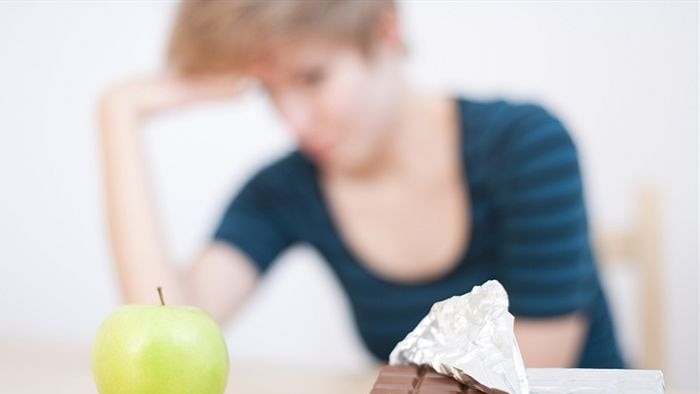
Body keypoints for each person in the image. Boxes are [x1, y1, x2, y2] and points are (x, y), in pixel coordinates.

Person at [99, 0, 624, 369]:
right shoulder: (287, 191)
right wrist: (119, 114)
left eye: (311, 78)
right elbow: (163, 329)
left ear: (384, 29)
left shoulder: (525, 146)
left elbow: (525, 378)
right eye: (269, 92)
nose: (294, 121)